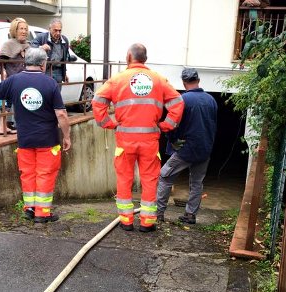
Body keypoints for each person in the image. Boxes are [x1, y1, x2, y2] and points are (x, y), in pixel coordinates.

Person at [92, 43, 184, 233]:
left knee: (124, 178)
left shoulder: (118, 79)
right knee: (150, 179)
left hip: (125, 140)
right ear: (145, 58)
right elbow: (177, 103)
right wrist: (166, 125)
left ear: (128, 57)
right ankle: (147, 222)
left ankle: (126, 221)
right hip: (150, 140)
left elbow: (97, 101)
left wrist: (109, 123)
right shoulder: (158, 79)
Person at [0, 47, 71, 223]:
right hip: (47, 140)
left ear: (26, 61)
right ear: (43, 64)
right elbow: (62, 114)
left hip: (25, 139)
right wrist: (67, 136)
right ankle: (42, 213)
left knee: (27, 173)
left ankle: (29, 209)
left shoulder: (14, 81)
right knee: (45, 174)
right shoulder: (50, 83)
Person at [156, 68, 218, 224]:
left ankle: (158, 213)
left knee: (164, 177)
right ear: (198, 80)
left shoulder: (182, 100)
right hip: (205, 149)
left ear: (184, 83)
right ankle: (190, 215)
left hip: (186, 149)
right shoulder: (211, 100)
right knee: (197, 182)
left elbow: (173, 124)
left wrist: (172, 139)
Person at [0, 17, 30, 132]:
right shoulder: (8, 44)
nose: (24, 31)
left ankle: (19, 126)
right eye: (21, 29)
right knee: (7, 103)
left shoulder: (28, 45)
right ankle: (2, 127)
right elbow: (0, 63)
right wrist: (4, 72)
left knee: (23, 104)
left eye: (25, 29)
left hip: (24, 80)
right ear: (14, 30)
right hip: (12, 79)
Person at [30, 18, 76, 88]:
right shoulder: (41, 37)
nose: (58, 33)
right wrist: (41, 48)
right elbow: (31, 48)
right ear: (50, 28)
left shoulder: (65, 40)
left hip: (59, 72)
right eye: (55, 30)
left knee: (56, 95)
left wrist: (64, 73)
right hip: (46, 70)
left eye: (60, 30)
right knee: (45, 93)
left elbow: (64, 58)